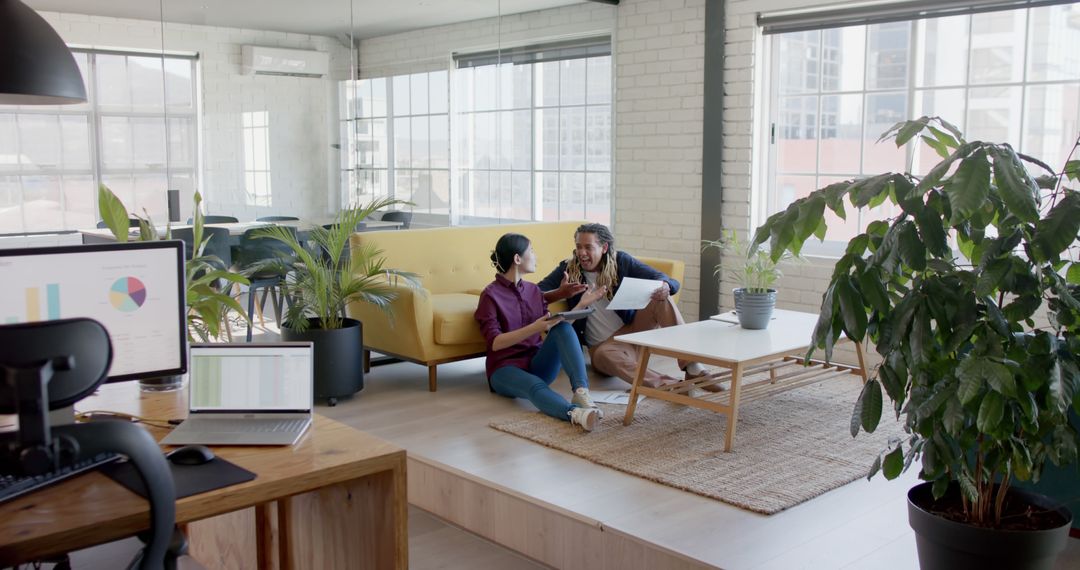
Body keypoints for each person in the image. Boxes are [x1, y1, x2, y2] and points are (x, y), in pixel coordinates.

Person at [538, 223, 715, 389]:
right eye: (578, 247)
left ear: (604, 247)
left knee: (662, 297)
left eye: (588, 247)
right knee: (603, 355)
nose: (582, 253)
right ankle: (670, 386)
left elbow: (663, 278)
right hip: (603, 348)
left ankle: (692, 367)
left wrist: (666, 287)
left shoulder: (621, 261)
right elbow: (536, 293)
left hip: (633, 331)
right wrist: (560, 292)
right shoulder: (568, 268)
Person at [474, 233, 609, 431]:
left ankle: (581, 392)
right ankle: (575, 414)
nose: (535, 256)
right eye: (532, 251)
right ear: (517, 259)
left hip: (537, 363)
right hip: (504, 369)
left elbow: (559, 333)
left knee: (562, 326)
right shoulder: (490, 295)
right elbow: (494, 342)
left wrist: (581, 303)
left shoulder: (533, 291)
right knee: (534, 386)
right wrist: (534, 328)